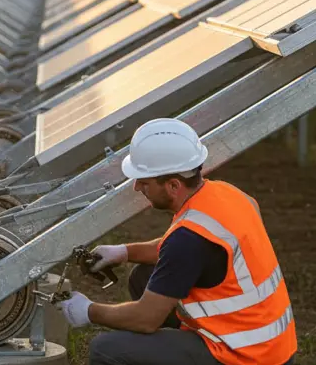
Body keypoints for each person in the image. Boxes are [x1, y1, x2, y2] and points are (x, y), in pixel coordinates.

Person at [55, 118, 297, 365]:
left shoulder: (188, 240)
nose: (137, 187)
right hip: (266, 344)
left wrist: (88, 311)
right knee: (143, 276)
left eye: (144, 181)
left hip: (245, 357)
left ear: (173, 185)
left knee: (106, 349)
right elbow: (187, 252)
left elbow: (145, 319)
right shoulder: (228, 195)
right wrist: (124, 252)